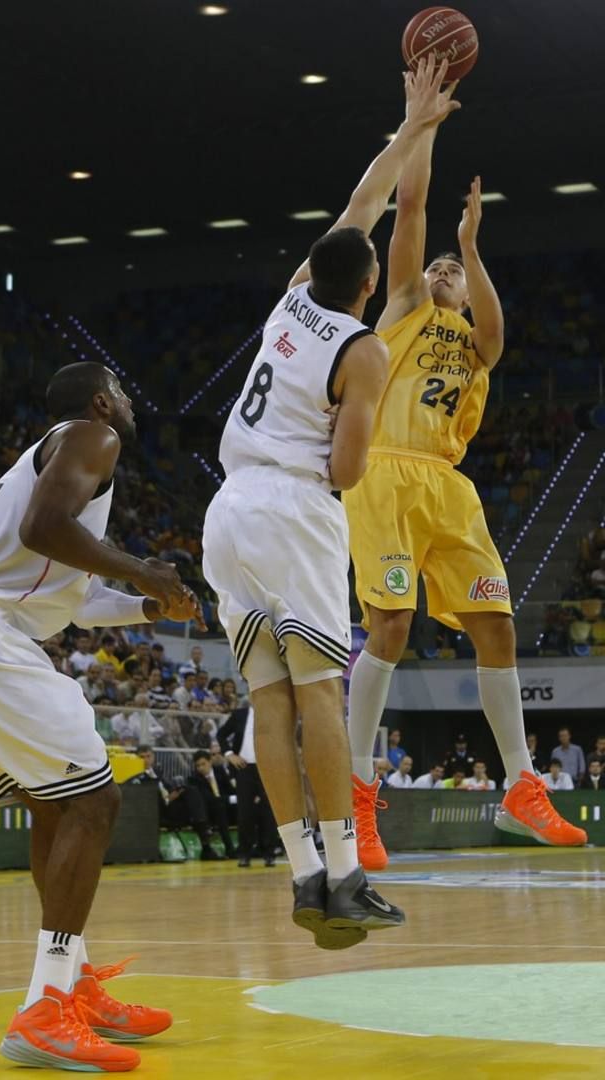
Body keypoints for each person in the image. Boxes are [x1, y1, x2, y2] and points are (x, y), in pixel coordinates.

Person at [203, 58, 458, 950]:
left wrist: (412, 124)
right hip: (291, 511)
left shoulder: (286, 302)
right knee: (320, 691)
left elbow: (362, 202)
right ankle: (346, 874)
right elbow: (348, 473)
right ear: (364, 290)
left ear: (313, 271)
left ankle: (304, 872)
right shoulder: (363, 345)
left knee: (269, 698)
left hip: (226, 512)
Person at [0, 362, 203, 1072]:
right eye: (122, 390)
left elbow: (72, 600)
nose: (128, 401)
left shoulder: (57, 464)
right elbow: (45, 529)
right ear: (101, 402)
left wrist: (148, 603)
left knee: (54, 804)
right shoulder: (94, 437)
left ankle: (72, 986)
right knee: (96, 797)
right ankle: (43, 1011)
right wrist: (144, 570)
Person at [344, 111, 587, 866]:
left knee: (497, 628)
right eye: (442, 267)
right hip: (384, 470)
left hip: (448, 486)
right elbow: (410, 213)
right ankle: (357, 794)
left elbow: (494, 334)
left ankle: (520, 784)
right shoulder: (405, 309)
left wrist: (474, 248)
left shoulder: (476, 343)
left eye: (454, 271)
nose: (444, 272)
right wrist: (423, 127)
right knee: (390, 627)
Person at [216, 703, 279, 867]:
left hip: (268, 766)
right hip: (244, 767)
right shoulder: (239, 714)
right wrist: (230, 754)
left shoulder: (273, 713)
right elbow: (221, 734)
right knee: (245, 811)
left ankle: (269, 853)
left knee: (268, 811)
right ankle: (244, 853)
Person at [188, 750, 237, 858]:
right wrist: (230, 799)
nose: (201, 768)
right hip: (210, 812)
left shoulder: (220, 771)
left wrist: (237, 798)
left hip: (227, 807)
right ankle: (230, 848)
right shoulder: (194, 778)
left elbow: (230, 789)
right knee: (219, 807)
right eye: (198, 765)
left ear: (210, 761)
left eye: (203, 764)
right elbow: (209, 799)